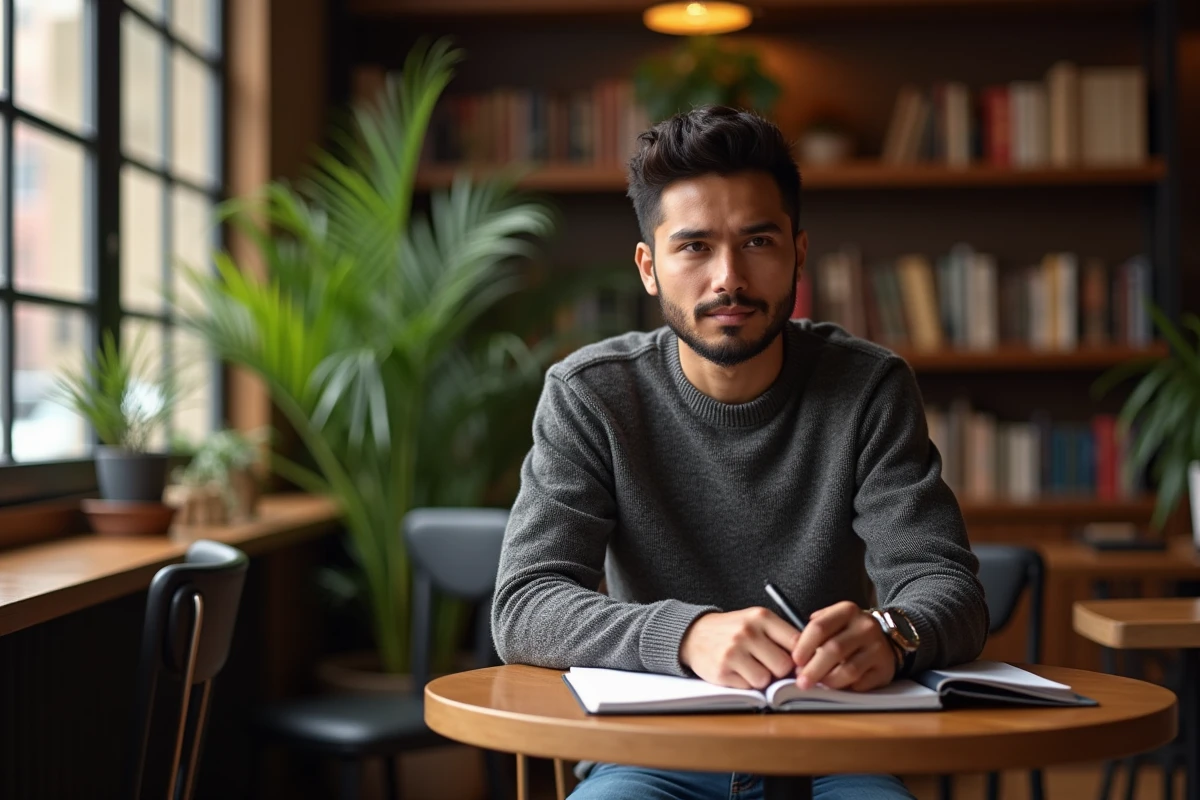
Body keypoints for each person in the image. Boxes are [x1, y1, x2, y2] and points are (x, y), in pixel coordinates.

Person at [491, 105, 989, 800]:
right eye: (694, 247)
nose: (728, 278)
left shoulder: (868, 386)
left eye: (757, 242)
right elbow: (525, 606)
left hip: (833, 749)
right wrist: (687, 635)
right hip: (649, 753)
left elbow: (951, 590)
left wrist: (892, 630)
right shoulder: (591, 395)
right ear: (649, 267)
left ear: (797, 254)